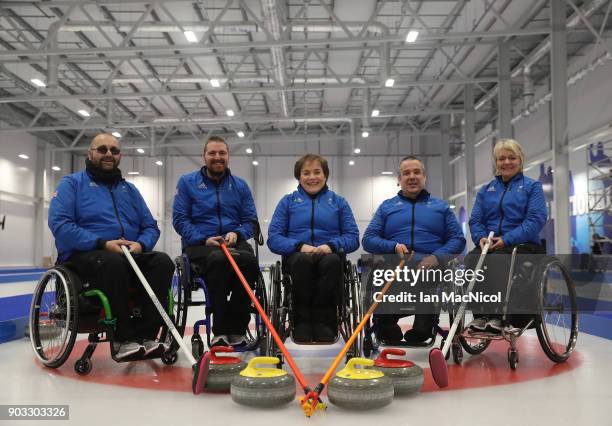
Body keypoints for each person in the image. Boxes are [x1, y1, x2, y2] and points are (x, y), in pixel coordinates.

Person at [48, 133, 173, 359]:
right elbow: (60, 224)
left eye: (114, 150)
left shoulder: (130, 190)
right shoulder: (72, 184)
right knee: (113, 263)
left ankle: (147, 336)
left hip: (129, 252)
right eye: (102, 149)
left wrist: (141, 244)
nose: (108, 154)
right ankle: (123, 338)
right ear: (90, 154)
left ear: (119, 156)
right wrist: (102, 243)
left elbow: (150, 226)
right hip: (86, 254)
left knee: (162, 262)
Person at [362, 155, 465, 344]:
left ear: (424, 177)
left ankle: (422, 328)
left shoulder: (440, 207)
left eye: (417, 172)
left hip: (429, 265)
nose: (412, 177)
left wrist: (437, 257)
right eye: (406, 173)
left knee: (427, 275)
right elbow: (368, 240)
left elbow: (458, 240)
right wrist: (392, 247)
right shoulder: (387, 207)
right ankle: (386, 327)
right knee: (381, 274)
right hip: (394, 265)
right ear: (399, 179)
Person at [172, 136, 259, 347]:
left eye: (222, 153)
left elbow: (251, 222)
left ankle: (237, 329)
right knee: (219, 260)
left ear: (228, 156)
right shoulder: (187, 182)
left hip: (233, 243)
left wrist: (237, 234)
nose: (217, 157)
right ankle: (220, 330)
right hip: (200, 245)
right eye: (212, 153)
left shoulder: (240, 186)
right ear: (204, 156)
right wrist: (203, 238)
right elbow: (180, 219)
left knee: (249, 262)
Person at [267, 154, 359, 342]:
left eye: (317, 172)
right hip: (298, 257)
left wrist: (331, 246)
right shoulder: (287, 202)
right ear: (299, 177)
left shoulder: (339, 202)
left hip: (330, 255)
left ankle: (326, 321)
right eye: (306, 173)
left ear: (325, 175)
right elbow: (274, 238)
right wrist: (299, 246)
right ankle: (302, 321)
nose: (312, 177)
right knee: (301, 261)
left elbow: (353, 237)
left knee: (332, 262)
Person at [467, 138, 547, 332]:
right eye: (502, 158)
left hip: (523, 244)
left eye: (512, 157)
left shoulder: (532, 187)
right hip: (491, 243)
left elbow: (535, 219)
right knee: (472, 259)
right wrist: (480, 238)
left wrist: (506, 239)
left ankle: (498, 316)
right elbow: (476, 220)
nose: (507, 162)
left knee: (499, 261)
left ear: (520, 160)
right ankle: (481, 316)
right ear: (496, 162)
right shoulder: (486, 190)